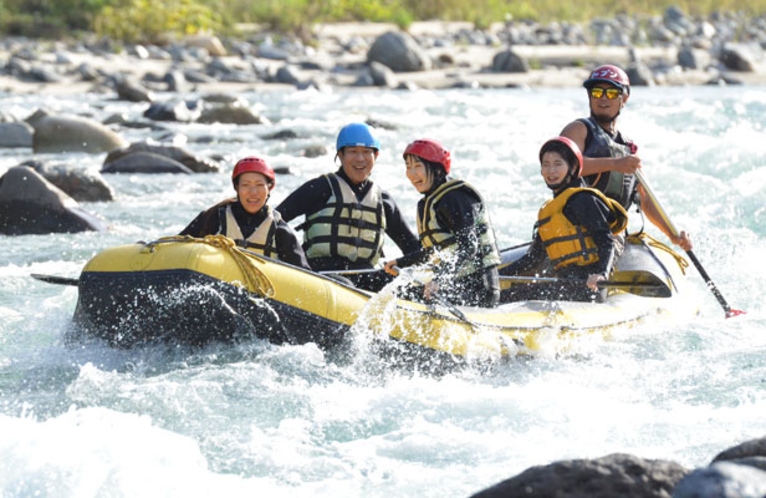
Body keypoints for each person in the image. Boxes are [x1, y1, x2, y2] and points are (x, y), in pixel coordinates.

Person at [559, 64, 692, 251]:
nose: (603, 98)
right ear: (589, 96)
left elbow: (645, 199)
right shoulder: (578, 129)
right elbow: (563, 168)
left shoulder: (628, 148)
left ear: (624, 98)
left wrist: (673, 234)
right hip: (574, 230)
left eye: (612, 93)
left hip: (610, 236)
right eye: (597, 92)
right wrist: (615, 164)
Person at [276, 122, 420, 290]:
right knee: (346, 286)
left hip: (367, 276)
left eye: (367, 152)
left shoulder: (383, 200)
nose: (360, 159)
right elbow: (274, 220)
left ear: (376, 156)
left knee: (408, 288)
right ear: (341, 155)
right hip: (323, 274)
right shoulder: (320, 188)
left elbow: (412, 248)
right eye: (352, 152)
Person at [500, 137, 628, 303]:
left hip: (589, 286)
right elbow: (533, 259)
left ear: (573, 167)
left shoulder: (582, 200)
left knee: (507, 297)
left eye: (558, 164)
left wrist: (602, 273)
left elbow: (606, 241)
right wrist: (496, 275)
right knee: (506, 293)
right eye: (546, 164)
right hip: (565, 283)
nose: (551, 170)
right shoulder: (550, 210)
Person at [383, 139, 501, 308]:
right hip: (455, 282)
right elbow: (434, 251)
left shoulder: (454, 199)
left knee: (408, 297)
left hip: (480, 287)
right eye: (408, 167)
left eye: (417, 166)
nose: (412, 173)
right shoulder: (429, 202)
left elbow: (470, 246)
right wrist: (401, 262)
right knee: (399, 293)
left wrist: (439, 279)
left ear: (437, 170)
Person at [180, 155, 311, 270]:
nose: (253, 192)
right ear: (237, 188)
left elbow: (304, 275)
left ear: (269, 188)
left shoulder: (279, 230)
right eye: (246, 185)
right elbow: (177, 246)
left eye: (259, 185)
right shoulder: (214, 217)